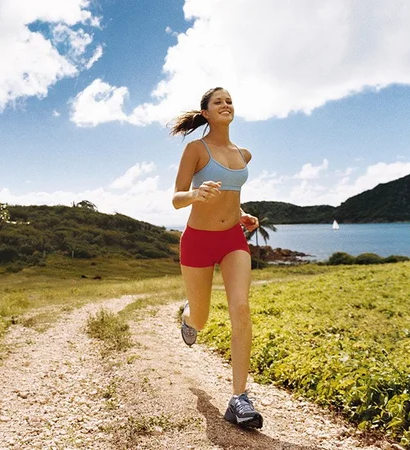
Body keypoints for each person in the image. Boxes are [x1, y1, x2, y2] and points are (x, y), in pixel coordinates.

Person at [170, 87, 263, 429]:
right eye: (217, 102)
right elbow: (177, 199)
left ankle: (239, 398)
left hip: (232, 240)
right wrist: (195, 193)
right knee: (203, 318)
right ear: (206, 113)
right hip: (197, 242)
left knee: (240, 307)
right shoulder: (197, 149)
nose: (225, 104)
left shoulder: (243, 154)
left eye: (229, 101)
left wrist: (242, 214)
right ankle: (188, 318)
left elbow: (232, 197)